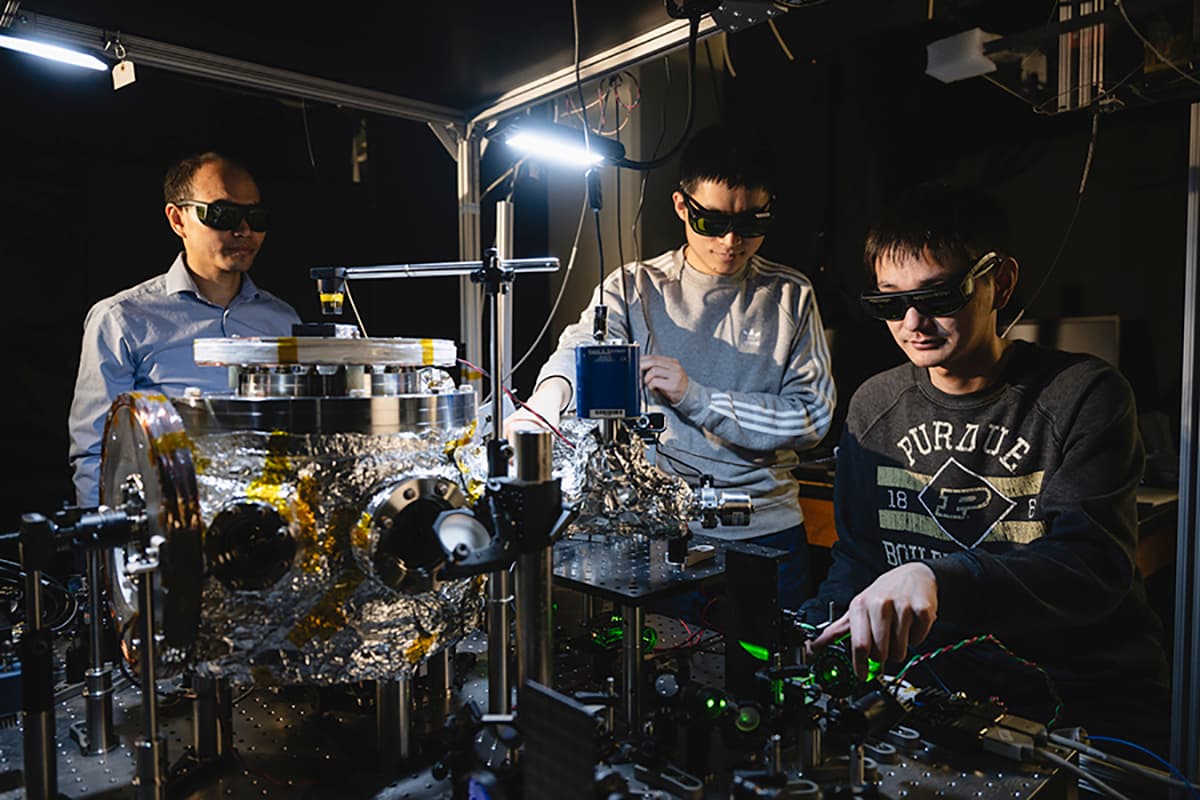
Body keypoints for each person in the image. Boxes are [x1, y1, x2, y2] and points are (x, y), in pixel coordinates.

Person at [803, 181, 1170, 750]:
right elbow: (858, 557)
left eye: (939, 296)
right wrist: (810, 633)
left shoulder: (1084, 394)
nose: (912, 322)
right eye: (889, 302)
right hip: (935, 692)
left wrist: (937, 579)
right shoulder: (875, 405)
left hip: (1075, 697)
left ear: (999, 282)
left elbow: (1092, 566)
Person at [505, 123, 837, 610]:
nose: (730, 241)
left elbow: (811, 418)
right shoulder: (635, 287)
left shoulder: (790, 295)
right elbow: (581, 350)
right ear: (682, 206)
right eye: (712, 222)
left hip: (768, 535)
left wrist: (697, 398)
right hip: (663, 536)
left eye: (750, 225)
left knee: (772, 680)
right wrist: (542, 407)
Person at [68, 151, 301, 508]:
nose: (243, 230)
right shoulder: (122, 319)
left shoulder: (284, 322)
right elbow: (96, 452)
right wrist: (105, 553)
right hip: (173, 533)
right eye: (222, 214)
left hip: (272, 533)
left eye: (256, 217)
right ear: (178, 219)